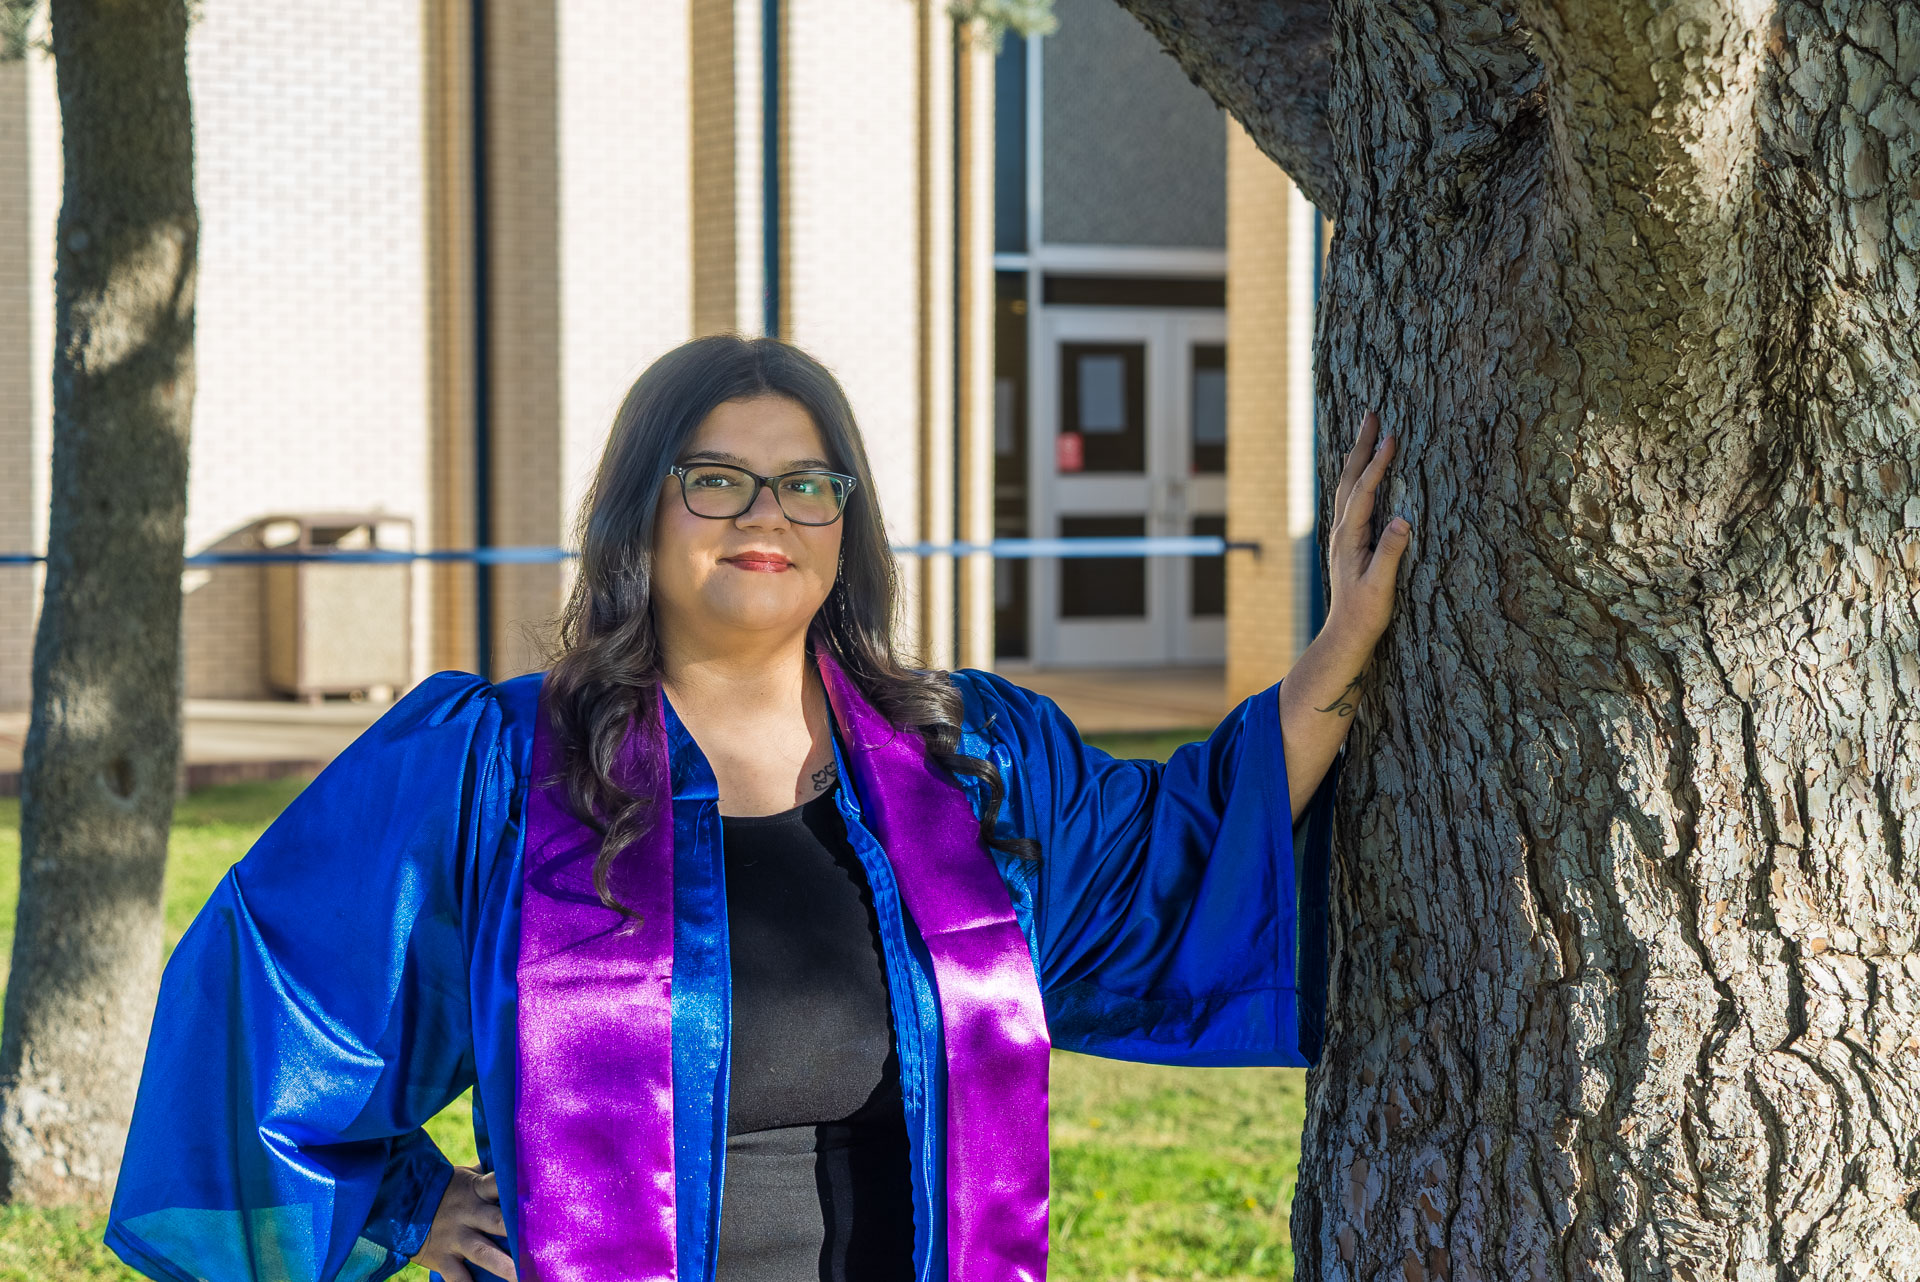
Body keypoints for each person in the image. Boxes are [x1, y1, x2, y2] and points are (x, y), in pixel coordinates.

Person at [103, 334, 1409, 1282]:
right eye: (716, 477)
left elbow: (1167, 864)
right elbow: (270, 997)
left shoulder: (968, 764)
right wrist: (407, 1206)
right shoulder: (495, 769)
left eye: (806, 482)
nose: (764, 513)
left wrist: (1333, 663)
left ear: (847, 525)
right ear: (642, 513)